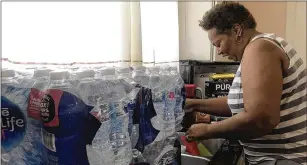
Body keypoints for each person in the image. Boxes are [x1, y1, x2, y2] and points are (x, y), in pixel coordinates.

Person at [184, 2, 307, 165]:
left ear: (237, 31)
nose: (219, 51)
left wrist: (208, 130)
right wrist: (194, 104)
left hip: (283, 159)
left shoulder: (260, 49)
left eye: (218, 43)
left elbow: (261, 118)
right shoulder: (263, 45)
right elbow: (241, 104)